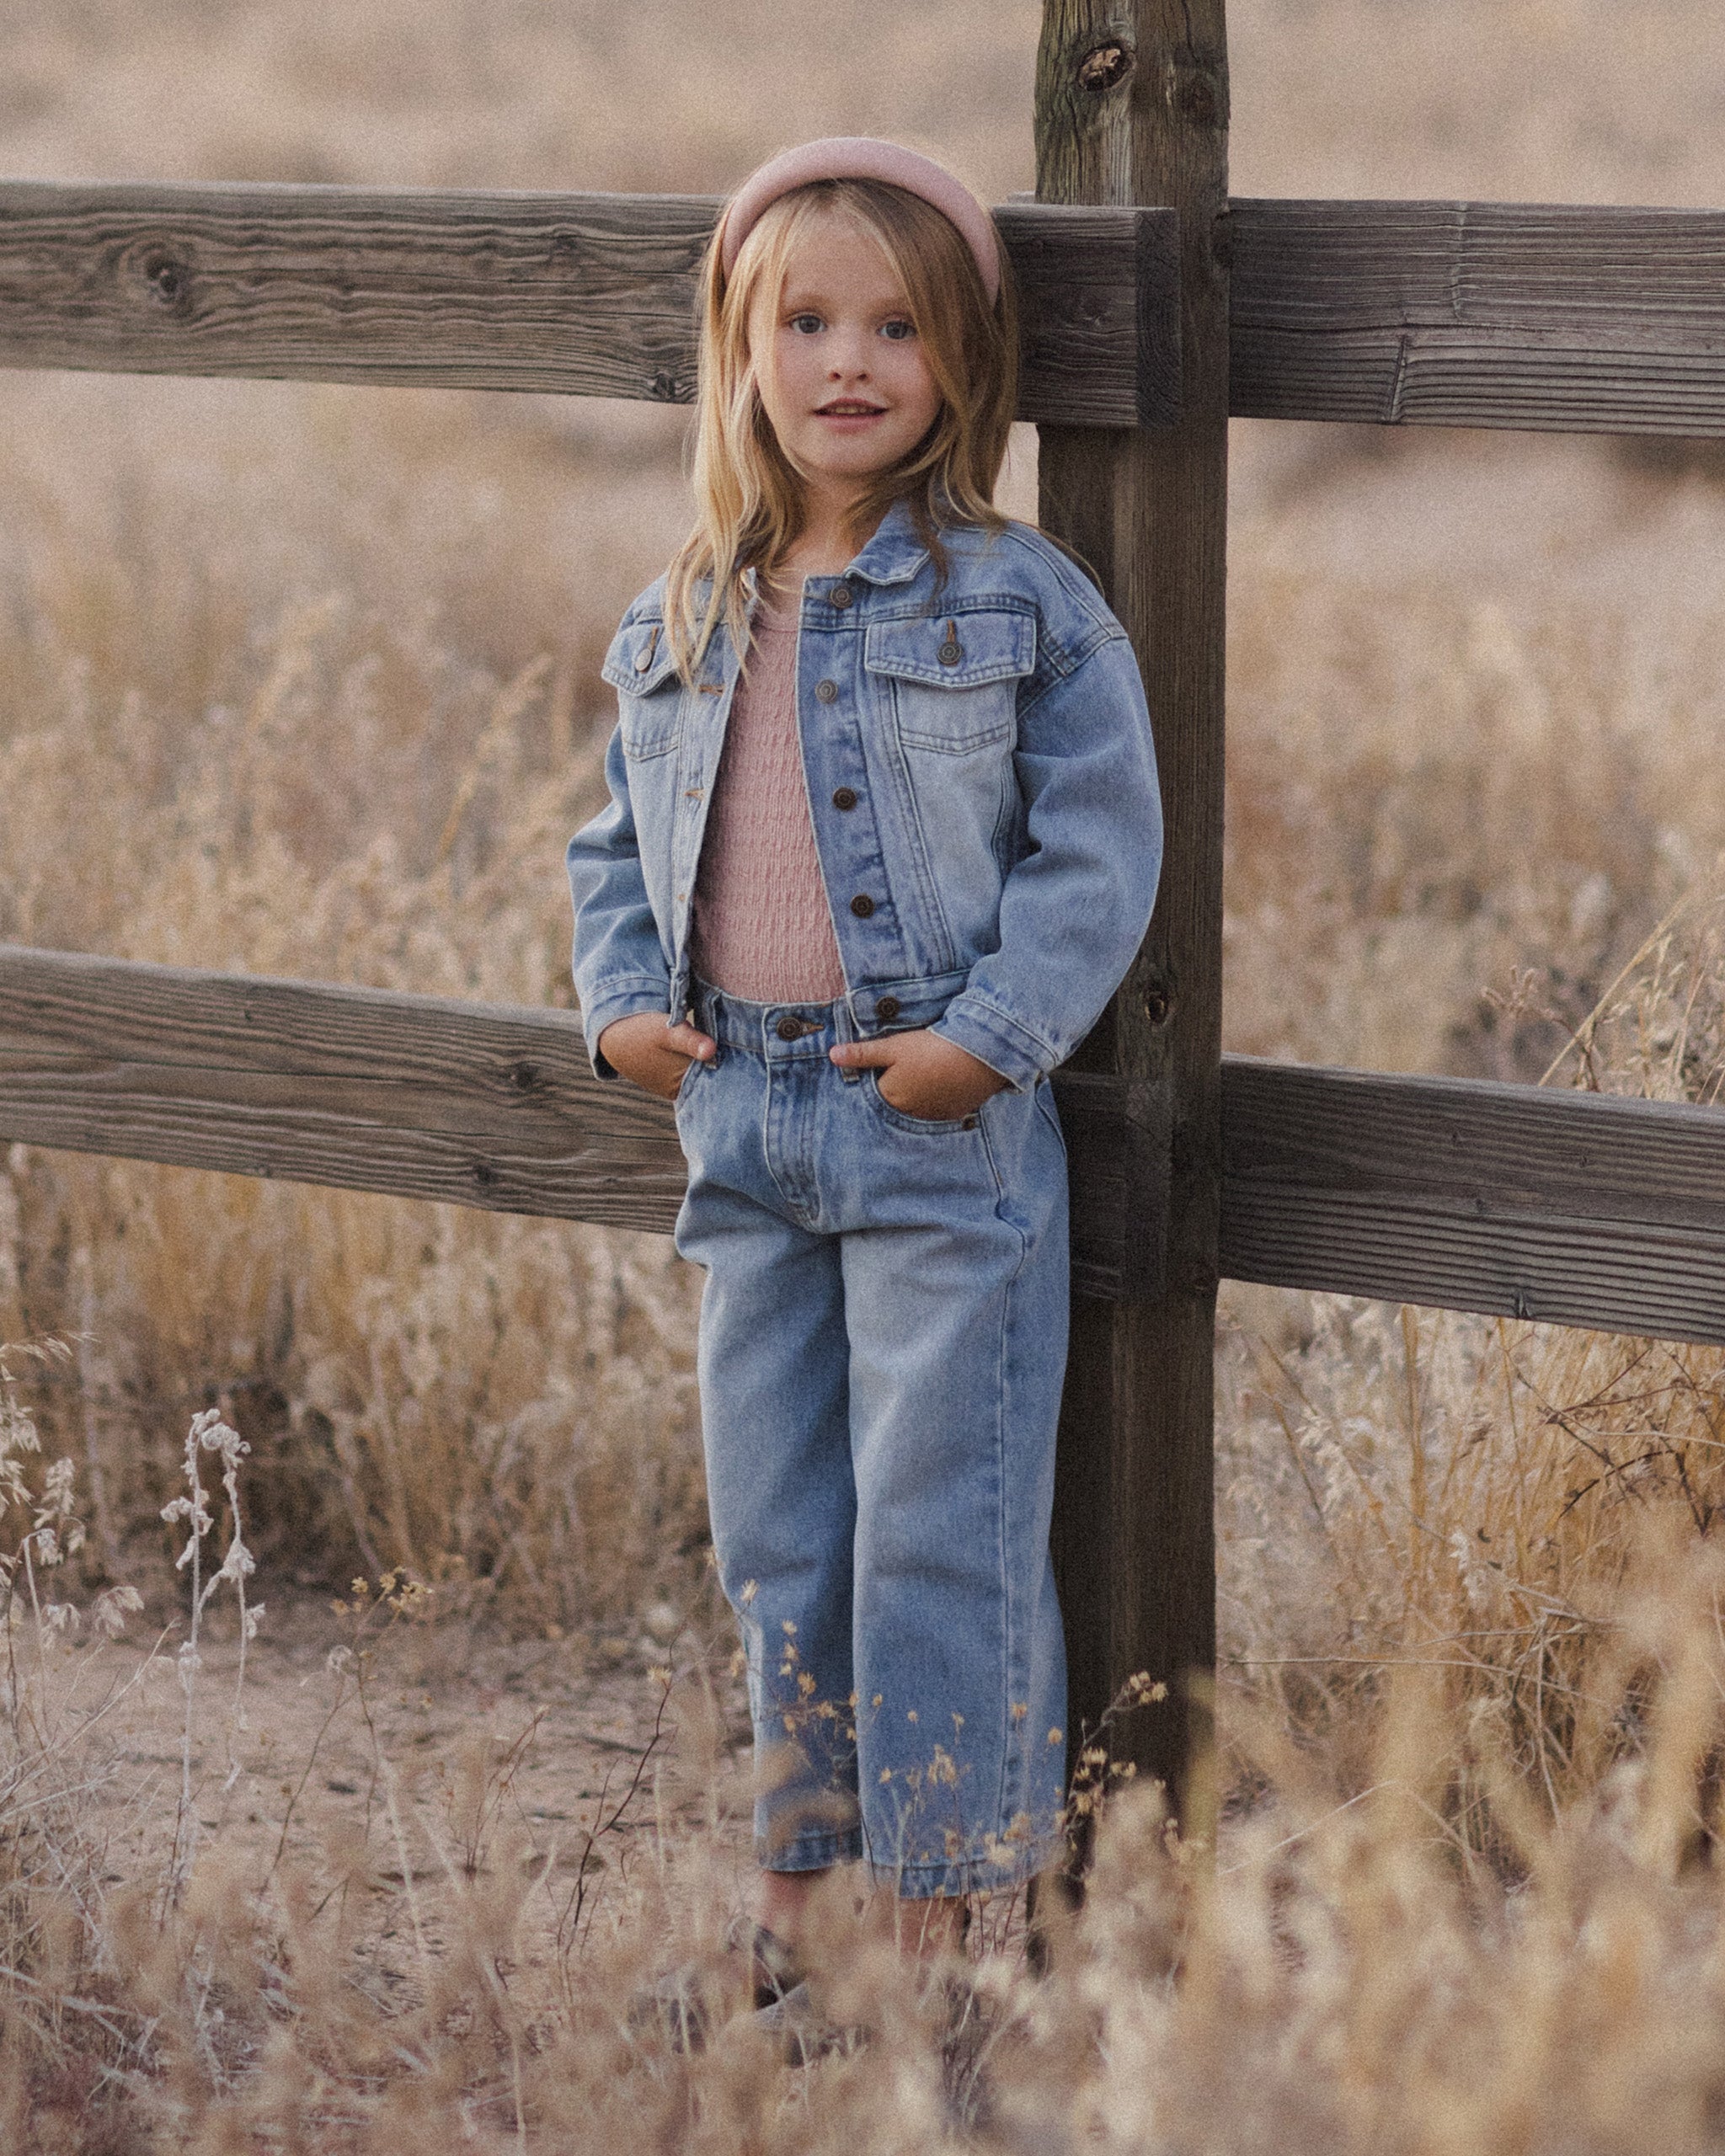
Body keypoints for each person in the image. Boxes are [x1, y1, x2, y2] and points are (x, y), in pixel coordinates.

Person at [567, 136, 1162, 2016]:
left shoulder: (1014, 601)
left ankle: (932, 1928)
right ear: (740, 349)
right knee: (780, 1532)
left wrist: (988, 1034)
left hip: (933, 1124)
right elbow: (609, 840)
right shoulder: (681, 606)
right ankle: (795, 1901)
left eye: (894, 326)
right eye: (804, 320)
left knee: (940, 1524)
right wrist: (615, 1003)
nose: (847, 361)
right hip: (737, 1113)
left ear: (959, 360)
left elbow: (1100, 844)